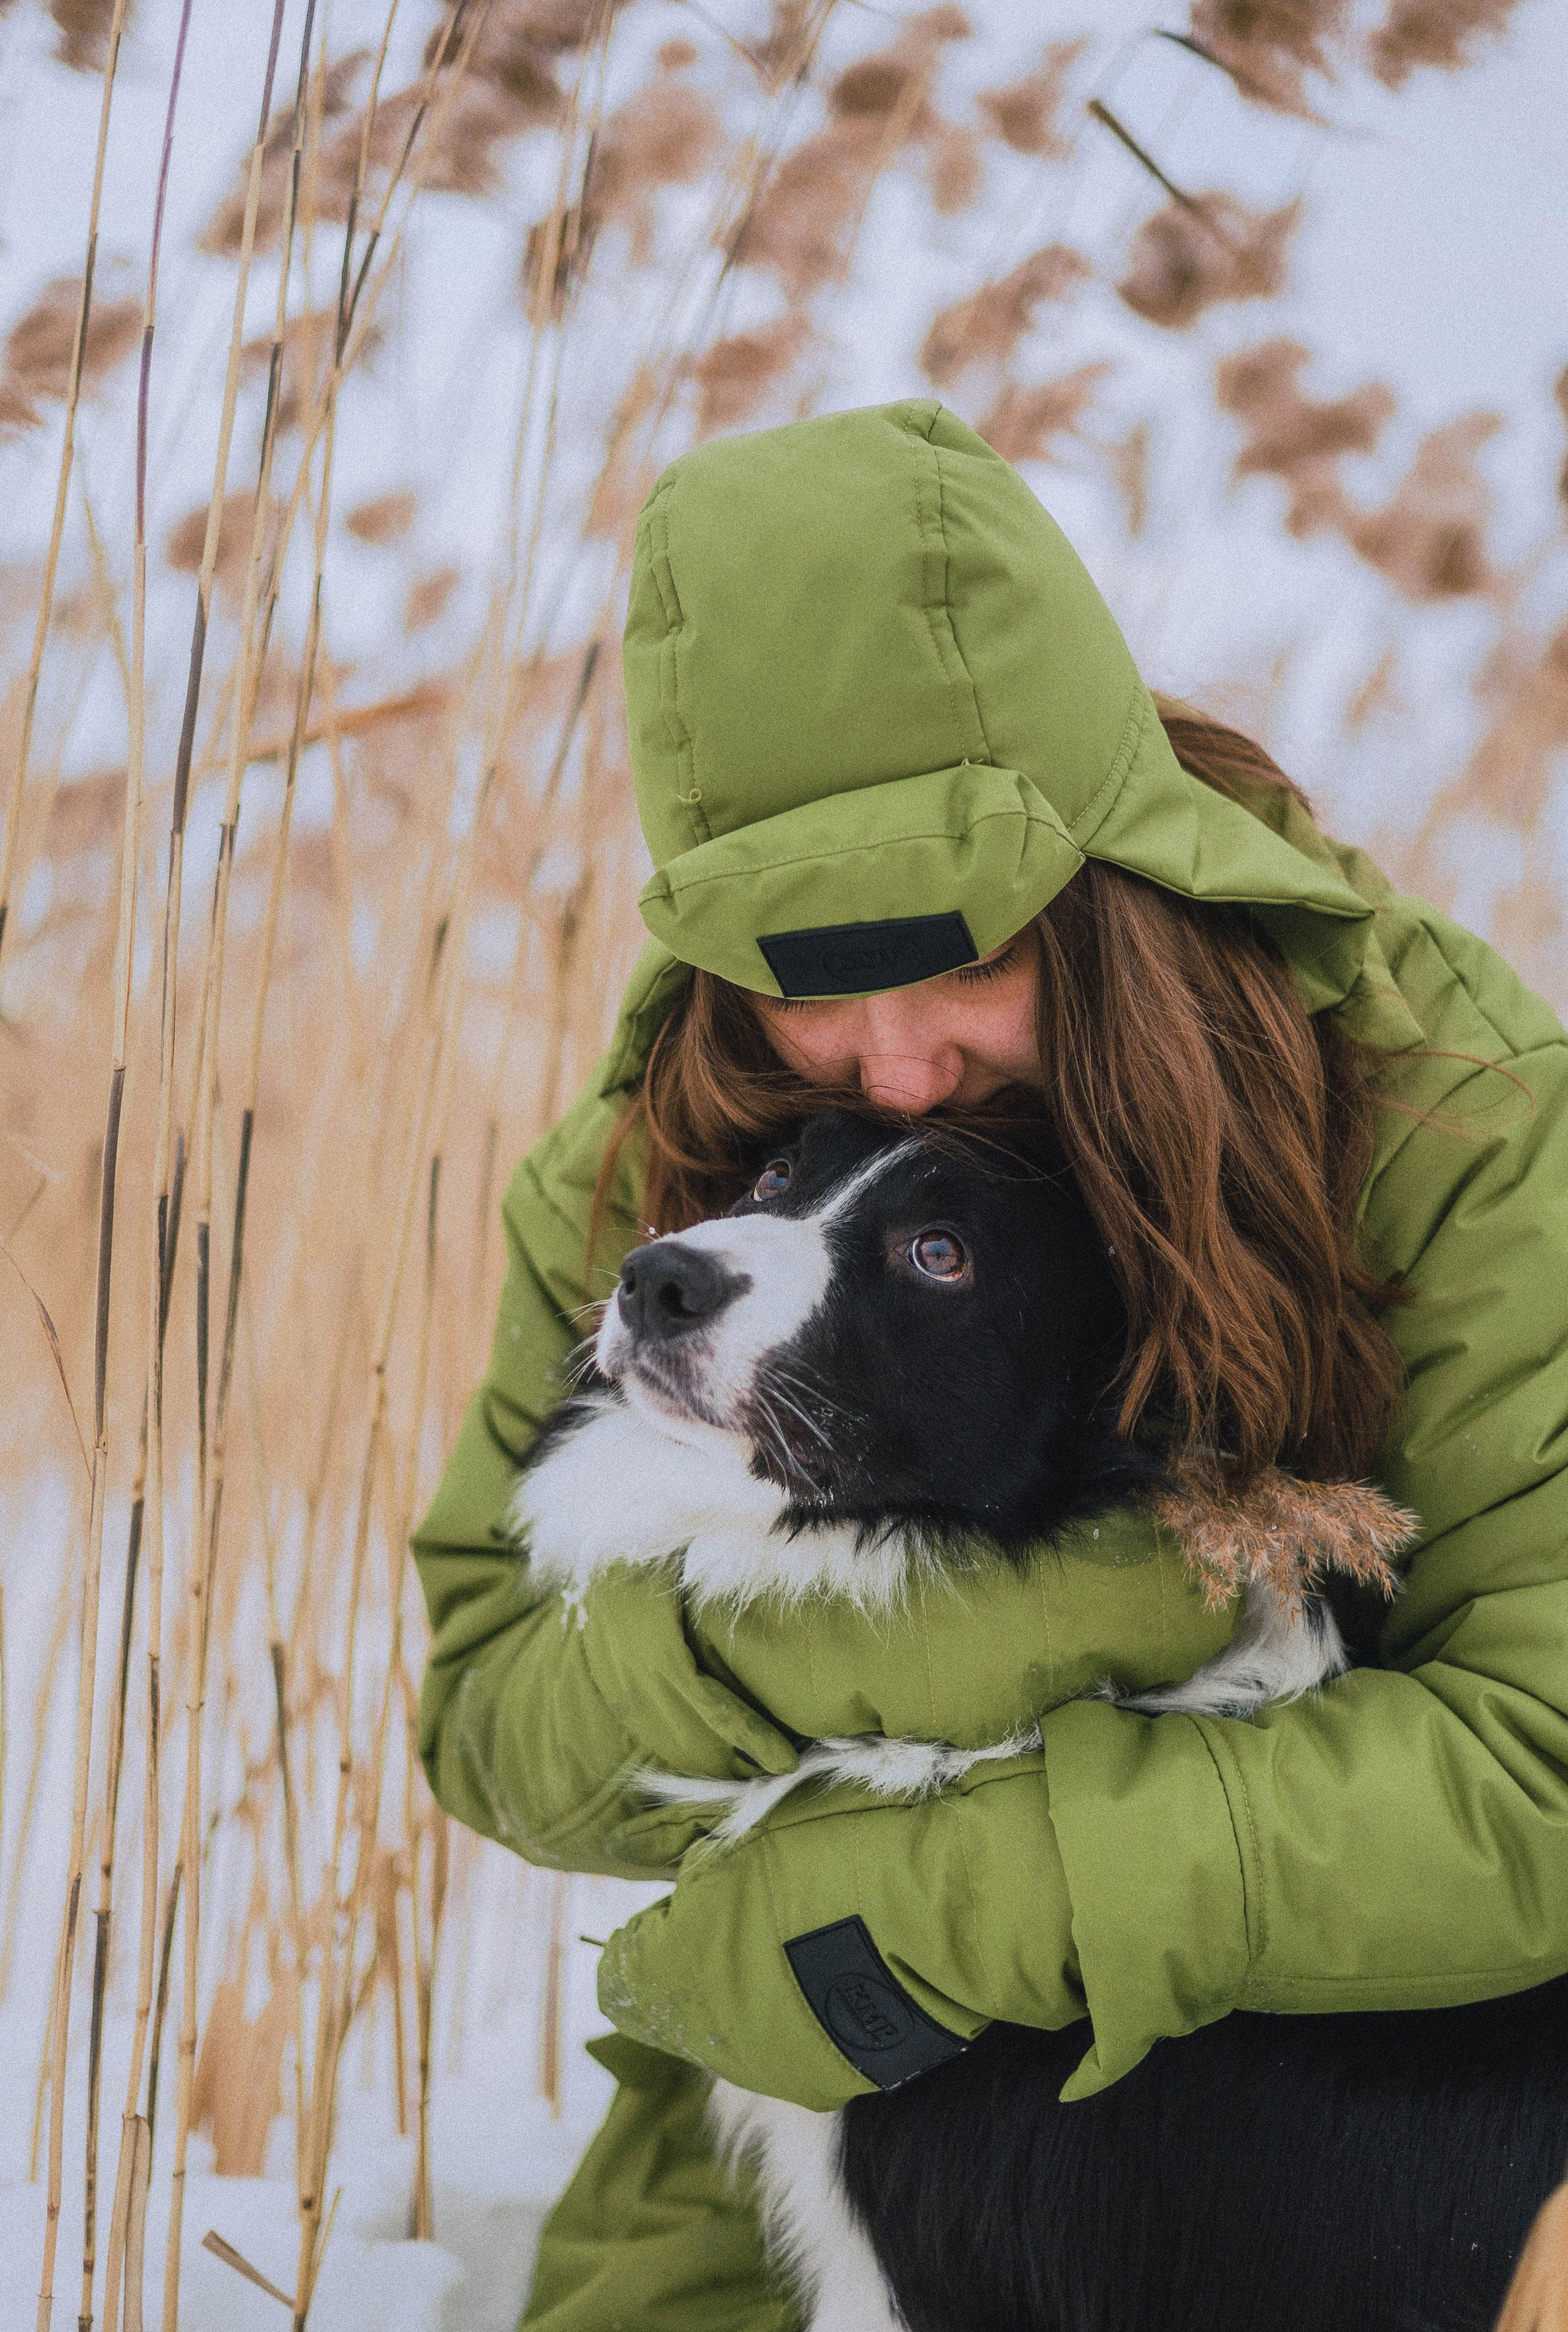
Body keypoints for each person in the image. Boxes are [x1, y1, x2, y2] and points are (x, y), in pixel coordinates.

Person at [412, 401, 1568, 2331]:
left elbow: (1543, 1774)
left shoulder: (1452, 1117)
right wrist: (812, 1650)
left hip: (1352, 2128)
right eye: (808, 976)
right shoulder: (665, 1151)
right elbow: (489, 1710)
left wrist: (932, 1907)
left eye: (962, 954)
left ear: (1103, 870)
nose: (897, 1061)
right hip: (796, 2123)